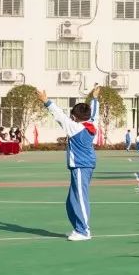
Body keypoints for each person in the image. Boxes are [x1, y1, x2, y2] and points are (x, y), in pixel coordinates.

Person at [39, 85, 100, 241]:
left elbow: (59, 116)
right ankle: (78, 228)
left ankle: (84, 231)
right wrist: (94, 98)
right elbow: (94, 113)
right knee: (71, 200)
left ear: (74, 117)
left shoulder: (75, 128)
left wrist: (46, 102)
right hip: (82, 165)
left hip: (81, 165)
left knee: (80, 198)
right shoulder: (91, 124)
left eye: (72, 115)